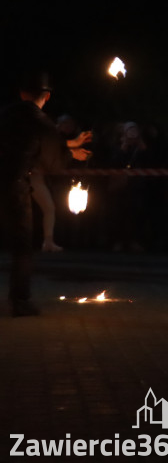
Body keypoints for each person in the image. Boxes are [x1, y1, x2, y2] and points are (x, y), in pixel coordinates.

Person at [0, 71, 90, 316]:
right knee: (21, 247)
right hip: (13, 187)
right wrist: (71, 153)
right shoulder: (41, 121)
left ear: (21, 93)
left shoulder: (6, 114)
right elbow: (53, 162)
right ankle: (20, 302)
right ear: (47, 96)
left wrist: (70, 145)